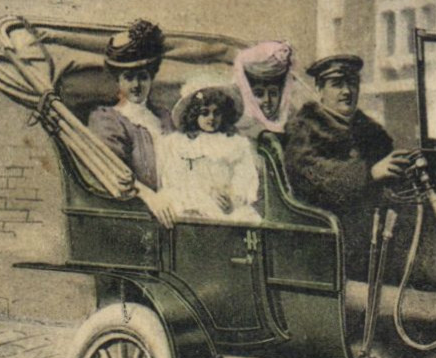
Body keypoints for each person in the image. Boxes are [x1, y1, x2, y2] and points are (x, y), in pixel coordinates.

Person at [283, 55, 412, 275]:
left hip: (375, 237)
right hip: (325, 242)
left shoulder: (371, 132)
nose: (347, 91)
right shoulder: (304, 129)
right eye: (337, 84)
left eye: (352, 83)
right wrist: (369, 173)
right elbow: (313, 177)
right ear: (320, 89)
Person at [88, 18, 175, 224]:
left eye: (143, 77)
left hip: (175, 206)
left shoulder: (164, 117)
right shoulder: (107, 119)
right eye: (129, 77)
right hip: (137, 213)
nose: (136, 85)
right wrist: (149, 197)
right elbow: (113, 171)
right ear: (118, 80)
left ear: (151, 78)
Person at [156, 84, 262, 224]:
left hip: (225, 207)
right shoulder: (180, 144)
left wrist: (232, 196)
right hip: (190, 202)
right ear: (194, 114)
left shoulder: (235, 144)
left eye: (216, 113)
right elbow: (173, 179)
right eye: (205, 113)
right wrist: (206, 193)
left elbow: (245, 177)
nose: (211, 118)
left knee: (245, 220)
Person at [232, 40, 299, 138]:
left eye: (273, 93)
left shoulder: (292, 124)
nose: (267, 100)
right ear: (248, 95)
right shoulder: (240, 131)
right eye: (259, 94)